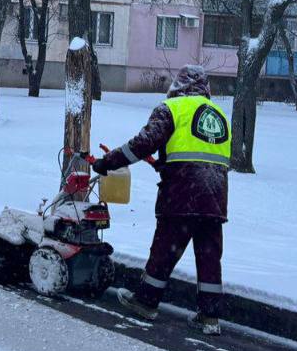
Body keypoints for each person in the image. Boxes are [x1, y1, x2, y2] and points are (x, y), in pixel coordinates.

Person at [92, 64, 231, 335]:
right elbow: (207, 156)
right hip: (215, 197)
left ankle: (146, 302)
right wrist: (166, 163)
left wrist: (107, 162)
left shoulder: (171, 109)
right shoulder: (218, 114)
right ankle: (210, 317)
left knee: (166, 249)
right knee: (209, 256)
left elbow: (143, 143)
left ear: (179, 84)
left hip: (181, 194)